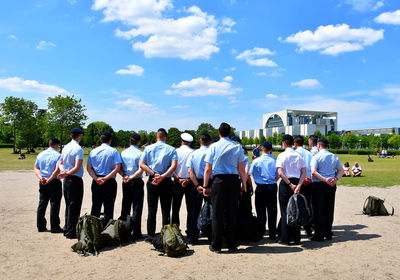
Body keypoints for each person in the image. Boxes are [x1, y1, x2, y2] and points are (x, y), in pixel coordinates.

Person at [202, 122, 247, 252]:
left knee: (217, 213)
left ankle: (216, 245)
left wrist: (205, 185)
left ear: (219, 133)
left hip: (218, 181)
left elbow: (207, 169)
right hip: (233, 181)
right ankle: (232, 243)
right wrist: (243, 184)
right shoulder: (237, 147)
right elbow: (242, 169)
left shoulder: (213, 147)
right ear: (230, 133)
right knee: (232, 213)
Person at [139, 128, 178, 240]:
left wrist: (154, 173)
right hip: (166, 180)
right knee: (166, 209)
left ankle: (150, 235)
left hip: (153, 179)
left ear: (156, 136)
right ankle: (166, 235)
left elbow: (142, 164)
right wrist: (163, 176)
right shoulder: (171, 149)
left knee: (152, 208)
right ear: (165, 137)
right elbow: (173, 166)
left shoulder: (148, 148)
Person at [310, 138, 344, 241]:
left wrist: (325, 180)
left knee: (318, 210)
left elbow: (313, 172)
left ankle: (319, 234)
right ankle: (328, 232)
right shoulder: (334, 156)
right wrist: (335, 179)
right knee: (329, 209)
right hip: (331, 185)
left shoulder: (316, 157)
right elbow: (341, 170)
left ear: (319, 146)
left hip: (319, 185)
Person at [276, 134, 306, 245]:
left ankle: (286, 238)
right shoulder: (299, 156)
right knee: (296, 210)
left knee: (285, 211)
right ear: (292, 143)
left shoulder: (282, 155)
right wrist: (298, 185)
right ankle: (296, 238)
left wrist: (289, 184)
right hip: (297, 182)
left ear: (284, 143)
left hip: (286, 184)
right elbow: (304, 173)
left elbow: (280, 173)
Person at [87, 132, 122, 224]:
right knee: (109, 206)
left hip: (96, 180)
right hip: (109, 180)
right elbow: (117, 168)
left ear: (100, 140)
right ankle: (107, 229)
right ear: (110, 140)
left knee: (95, 205)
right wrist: (106, 178)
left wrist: (96, 178)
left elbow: (89, 168)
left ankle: (93, 229)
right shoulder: (114, 151)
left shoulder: (93, 151)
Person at [171, 133, 198, 244]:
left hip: (178, 182)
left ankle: (175, 231)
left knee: (176, 208)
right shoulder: (194, 152)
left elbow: (171, 168)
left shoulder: (175, 151)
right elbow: (194, 169)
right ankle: (191, 232)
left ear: (181, 141)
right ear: (190, 142)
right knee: (191, 209)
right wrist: (189, 180)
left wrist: (178, 179)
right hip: (190, 182)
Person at [58, 128, 85, 239]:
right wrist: (67, 173)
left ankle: (67, 227)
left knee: (68, 204)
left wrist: (63, 171)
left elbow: (60, 162)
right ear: (80, 135)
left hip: (66, 180)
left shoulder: (66, 147)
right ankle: (71, 230)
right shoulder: (78, 149)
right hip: (74, 179)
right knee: (75, 205)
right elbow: (77, 166)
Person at [249, 141, 278, 240]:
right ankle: (272, 233)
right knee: (272, 211)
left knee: (260, 211)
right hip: (272, 186)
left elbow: (251, 173)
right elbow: (278, 174)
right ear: (271, 150)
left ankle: (260, 232)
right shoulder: (275, 160)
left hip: (260, 187)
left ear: (261, 149)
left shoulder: (257, 161)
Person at [34, 137, 63, 233]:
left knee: (42, 203)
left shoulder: (41, 154)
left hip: (43, 181)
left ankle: (40, 226)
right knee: (54, 204)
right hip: (53, 181)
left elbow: (36, 167)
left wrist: (41, 177)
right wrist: (50, 179)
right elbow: (57, 170)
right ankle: (55, 227)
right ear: (56, 145)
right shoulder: (58, 155)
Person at [187, 133, 212, 241]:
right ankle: (211, 235)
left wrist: (197, 185)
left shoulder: (193, 154)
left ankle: (193, 236)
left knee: (194, 210)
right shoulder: (212, 153)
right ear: (210, 141)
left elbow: (190, 171)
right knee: (211, 210)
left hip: (196, 182)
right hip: (210, 182)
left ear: (200, 141)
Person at [120, 133, 145, 239]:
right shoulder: (140, 153)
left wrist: (125, 175)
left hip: (125, 180)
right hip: (136, 180)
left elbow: (119, 167)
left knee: (125, 204)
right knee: (137, 206)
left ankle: (124, 230)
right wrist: (132, 177)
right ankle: (136, 232)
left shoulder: (123, 152)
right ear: (139, 142)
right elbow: (141, 169)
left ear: (130, 141)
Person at [294, 135, 313, 236]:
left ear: (295, 143)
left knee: (296, 204)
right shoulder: (309, 153)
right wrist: (308, 178)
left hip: (298, 180)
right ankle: (308, 228)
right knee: (307, 204)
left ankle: (296, 225)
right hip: (308, 181)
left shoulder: (294, 153)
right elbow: (310, 167)